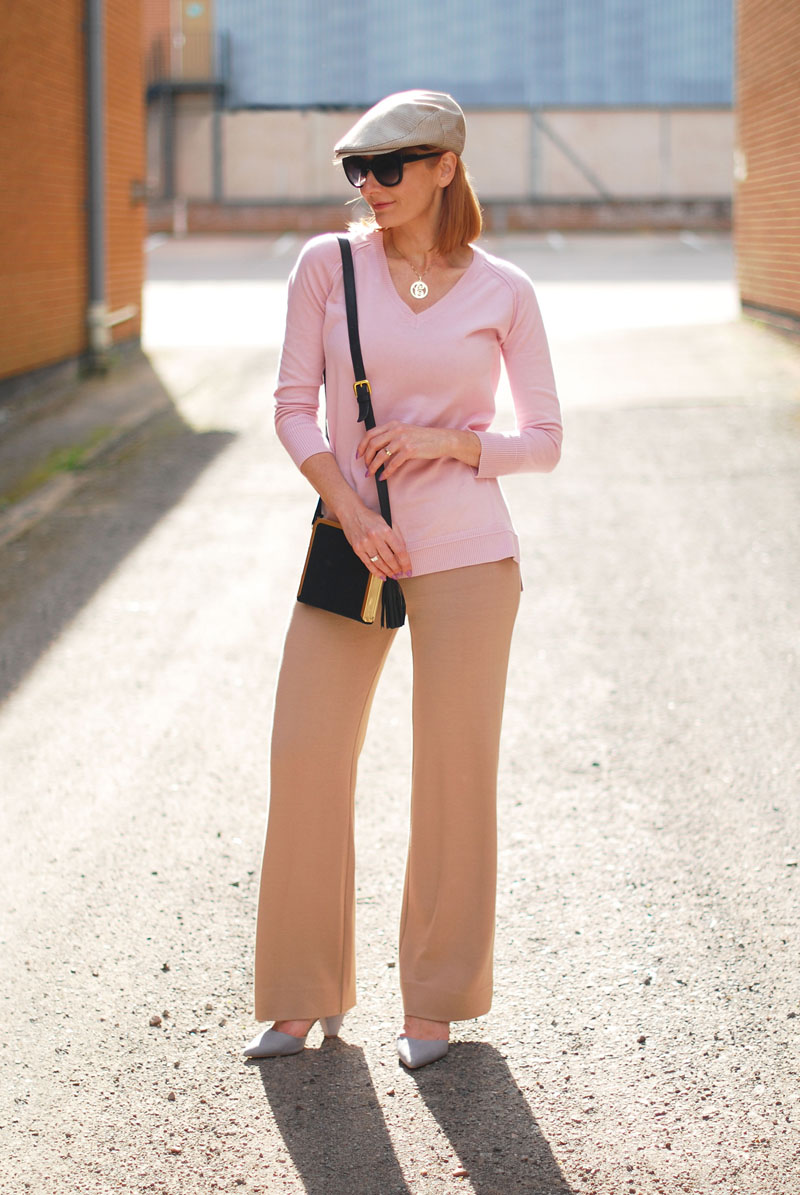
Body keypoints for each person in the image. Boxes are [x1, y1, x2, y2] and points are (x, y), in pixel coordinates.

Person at [244, 90, 562, 1069]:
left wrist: (446, 440)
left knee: (450, 773)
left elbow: (543, 441)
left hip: (468, 552)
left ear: (443, 167)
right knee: (305, 753)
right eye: (355, 171)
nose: (368, 187)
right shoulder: (325, 267)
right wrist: (350, 505)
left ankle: (433, 1004)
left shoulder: (501, 288)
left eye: (387, 168)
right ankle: (298, 995)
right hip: (355, 541)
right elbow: (294, 408)